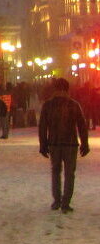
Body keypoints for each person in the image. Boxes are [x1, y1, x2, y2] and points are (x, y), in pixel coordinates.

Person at [38, 77, 90, 213]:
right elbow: (82, 126)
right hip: (70, 143)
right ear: (67, 89)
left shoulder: (48, 105)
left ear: (54, 89)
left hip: (54, 143)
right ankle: (66, 202)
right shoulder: (73, 104)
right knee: (69, 173)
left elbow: (42, 126)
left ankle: (56, 200)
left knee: (55, 171)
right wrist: (85, 143)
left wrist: (43, 144)